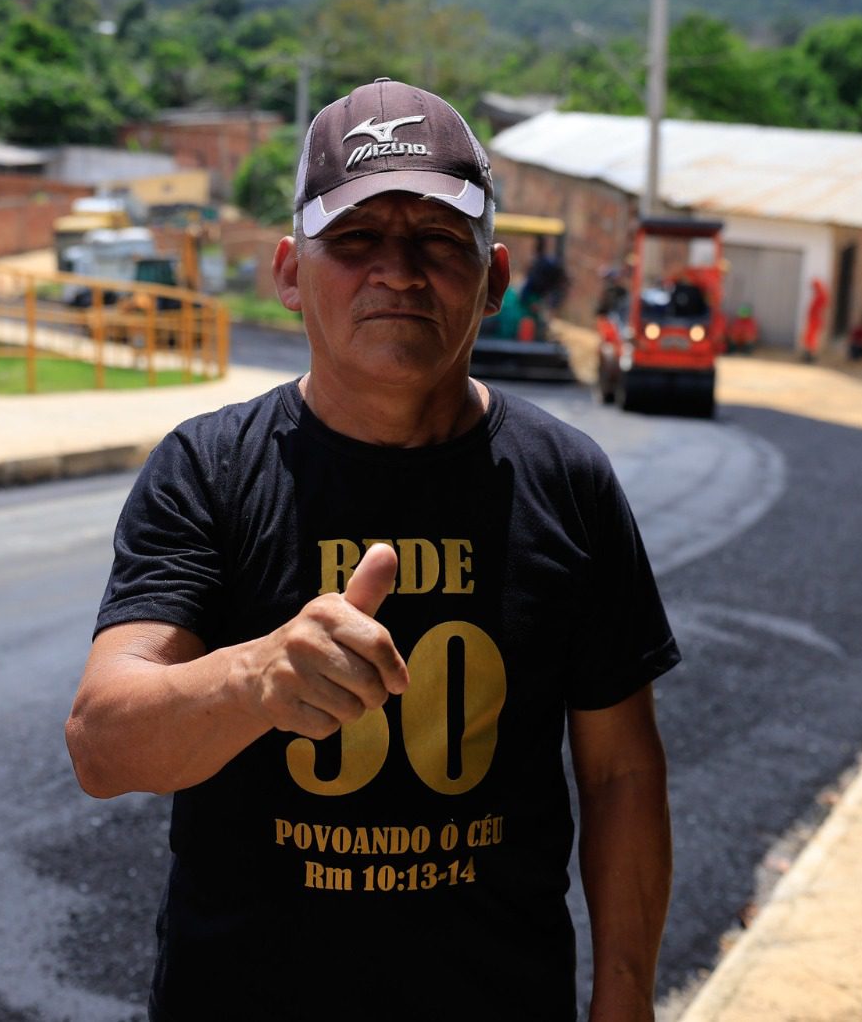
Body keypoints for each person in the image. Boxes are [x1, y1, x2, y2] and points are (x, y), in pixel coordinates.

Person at [66, 78, 679, 1022]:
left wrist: (626, 1003)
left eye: (438, 238)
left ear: (495, 277)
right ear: (288, 271)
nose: (397, 270)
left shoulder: (569, 480)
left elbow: (621, 771)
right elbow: (103, 744)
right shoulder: (208, 471)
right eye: (354, 239)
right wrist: (257, 679)